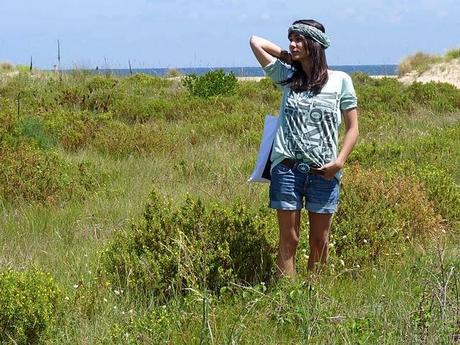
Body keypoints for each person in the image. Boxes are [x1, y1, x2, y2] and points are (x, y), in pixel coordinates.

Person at [249, 19, 359, 277]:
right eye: (291, 38)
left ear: (315, 44)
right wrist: (290, 57)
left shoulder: (340, 80)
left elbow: (353, 128)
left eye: (299, 39)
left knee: (319, 243)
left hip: (325, 171)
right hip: (287, 169)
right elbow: (256, 41)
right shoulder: (287, 76)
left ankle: (315, 300)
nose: (293, 43)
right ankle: (288, 300)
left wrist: (339, 162)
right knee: (290, 240)